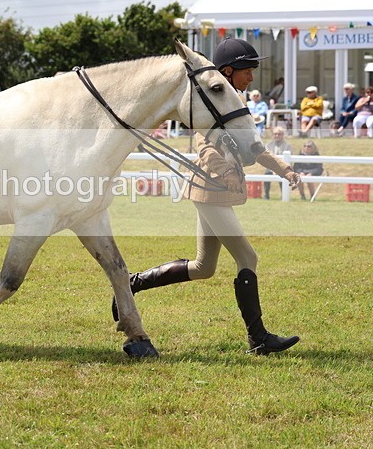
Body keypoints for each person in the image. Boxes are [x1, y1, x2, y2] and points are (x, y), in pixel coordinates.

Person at [112, 38, 301, 355]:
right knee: (247, 257)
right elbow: (205, 145)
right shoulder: (209, 105)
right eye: (247, 71)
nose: (251, 78)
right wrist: (223, 168)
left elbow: (255, 149)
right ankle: (258, 339)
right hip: (210, 188)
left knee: (204, 267)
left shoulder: (233, 104)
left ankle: (134, 283)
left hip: (217, 191)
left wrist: (284, 169)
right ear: (228, 71)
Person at [262, 126, 293, 199]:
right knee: (266, 175)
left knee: (283, 177)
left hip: (283, 167)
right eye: (275, 134)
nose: (277, 136)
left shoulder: (288, 145)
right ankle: (266, 195)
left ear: (283, 135)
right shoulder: (268, 144)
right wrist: (273, 169)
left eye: (279, 134)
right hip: (270, 167)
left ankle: (284, 195)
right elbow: (266, 158)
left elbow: (288, 160)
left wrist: (280, 168)